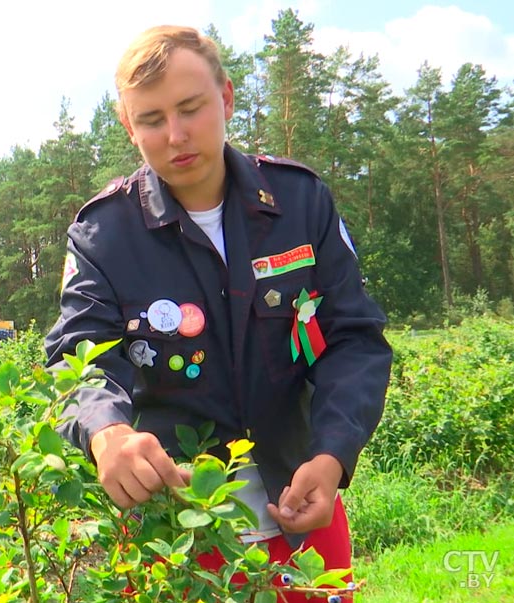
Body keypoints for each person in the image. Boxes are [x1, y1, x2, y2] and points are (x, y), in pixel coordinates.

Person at [45, 25, 391, 600]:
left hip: (303, 507)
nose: (176, 135)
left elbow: (353, 338)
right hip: (170, 528)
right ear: (128, 126)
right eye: (151, 119)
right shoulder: (103, 234)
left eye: (191, 108)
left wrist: (333, 454)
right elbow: (76, 355)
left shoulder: (301, 203)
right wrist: (104, 432)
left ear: (226, 98)